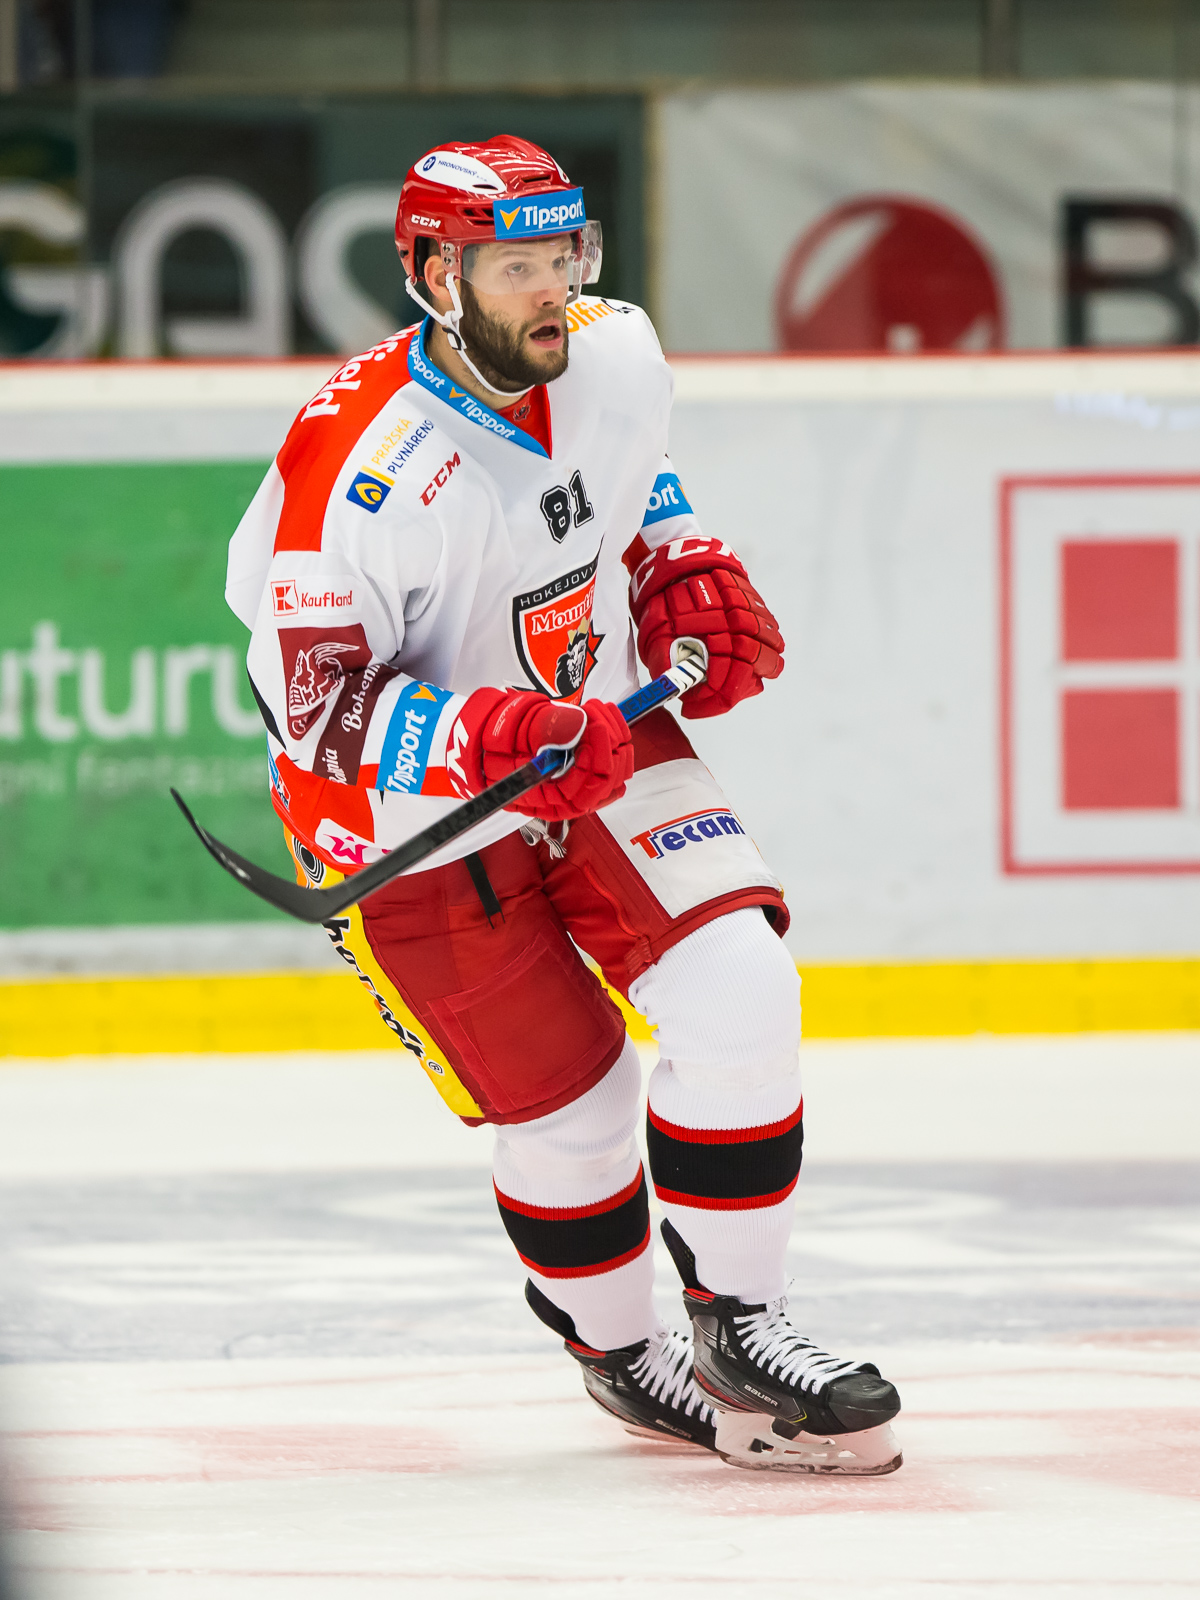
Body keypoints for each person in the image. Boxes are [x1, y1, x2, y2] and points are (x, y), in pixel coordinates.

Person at [226, 135, 902, 1473]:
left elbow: (632, 479)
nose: (555, 292)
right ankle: (622, 1350)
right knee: (573, 1114)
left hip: (591, 726)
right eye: (517, 268)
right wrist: (494, 735)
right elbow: (317, 709)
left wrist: (681, 566)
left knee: (742, 988)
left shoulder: (615, 352)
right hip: (401, 820)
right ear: (434, 275)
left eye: (566, 256)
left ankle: (743, 1321)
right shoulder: (357, 468)